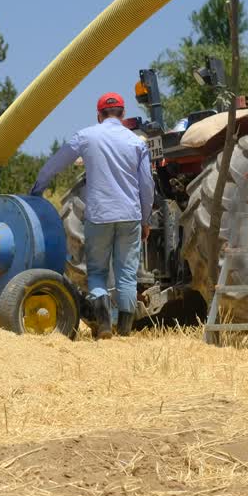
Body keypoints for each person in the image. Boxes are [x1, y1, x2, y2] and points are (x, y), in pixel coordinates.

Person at [29, 92, 153, 339]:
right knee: (127, 274)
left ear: (99, 116)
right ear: (123, 114)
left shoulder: (86, 136)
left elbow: (55, 163)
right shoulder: (137, 142)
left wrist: (37, 189)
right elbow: (147, 185)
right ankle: (126, 331)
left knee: (96, 272)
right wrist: (146, 219)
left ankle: (104, 324)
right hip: (129, 216)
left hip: (98, 217)